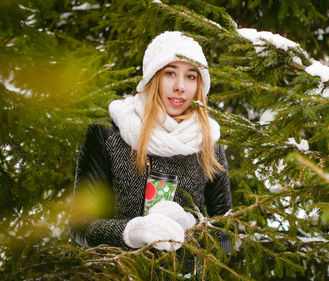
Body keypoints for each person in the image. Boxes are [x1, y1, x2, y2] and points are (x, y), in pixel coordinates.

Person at [68, 31, 232, 257]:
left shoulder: (208, 143)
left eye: (191, 76)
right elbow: (81, 226)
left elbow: (226, 234)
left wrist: (189, 228)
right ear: (153, 77)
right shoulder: (108, 133)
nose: (180, 87)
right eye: (170, 73)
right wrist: (131, 232)